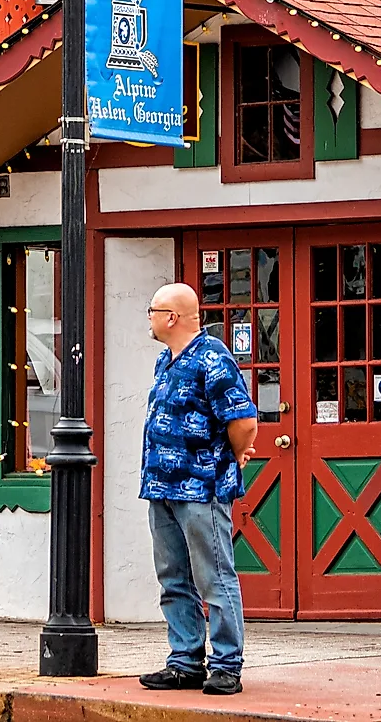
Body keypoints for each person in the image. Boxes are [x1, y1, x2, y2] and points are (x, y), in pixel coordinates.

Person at [137, 281, 260, 698]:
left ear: (171, 317)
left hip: (201, 488)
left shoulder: (213, 359)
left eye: (153, 311)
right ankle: (185, 661)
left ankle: (227, 665)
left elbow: (243, 421)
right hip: (161, 487)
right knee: (173, 576)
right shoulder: (164, 362)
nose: (150, 319)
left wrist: (237, 454)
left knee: (214, 576)